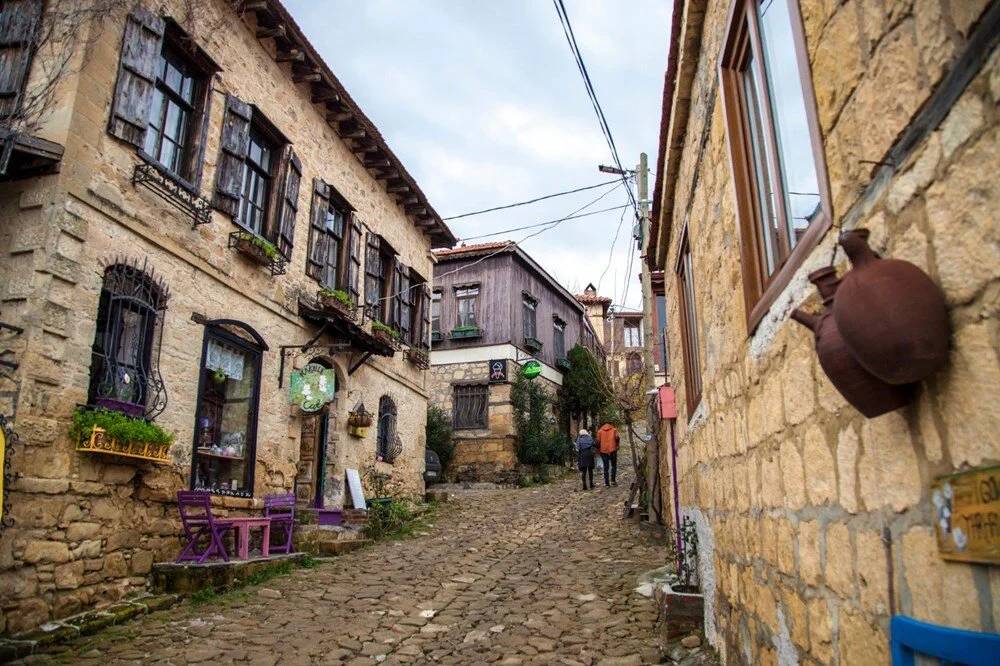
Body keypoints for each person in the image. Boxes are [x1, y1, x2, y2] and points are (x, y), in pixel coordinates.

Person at [596, 421, 620, 487]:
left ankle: (607, 483)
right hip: (613, 450)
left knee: (606, 467)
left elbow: (598, 442)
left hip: (603, 451)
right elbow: (617, 438)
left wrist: (598, 450)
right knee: (614, 466)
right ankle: (613, 481)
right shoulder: (614, 430)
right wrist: (617, 445)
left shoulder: (600, 431)